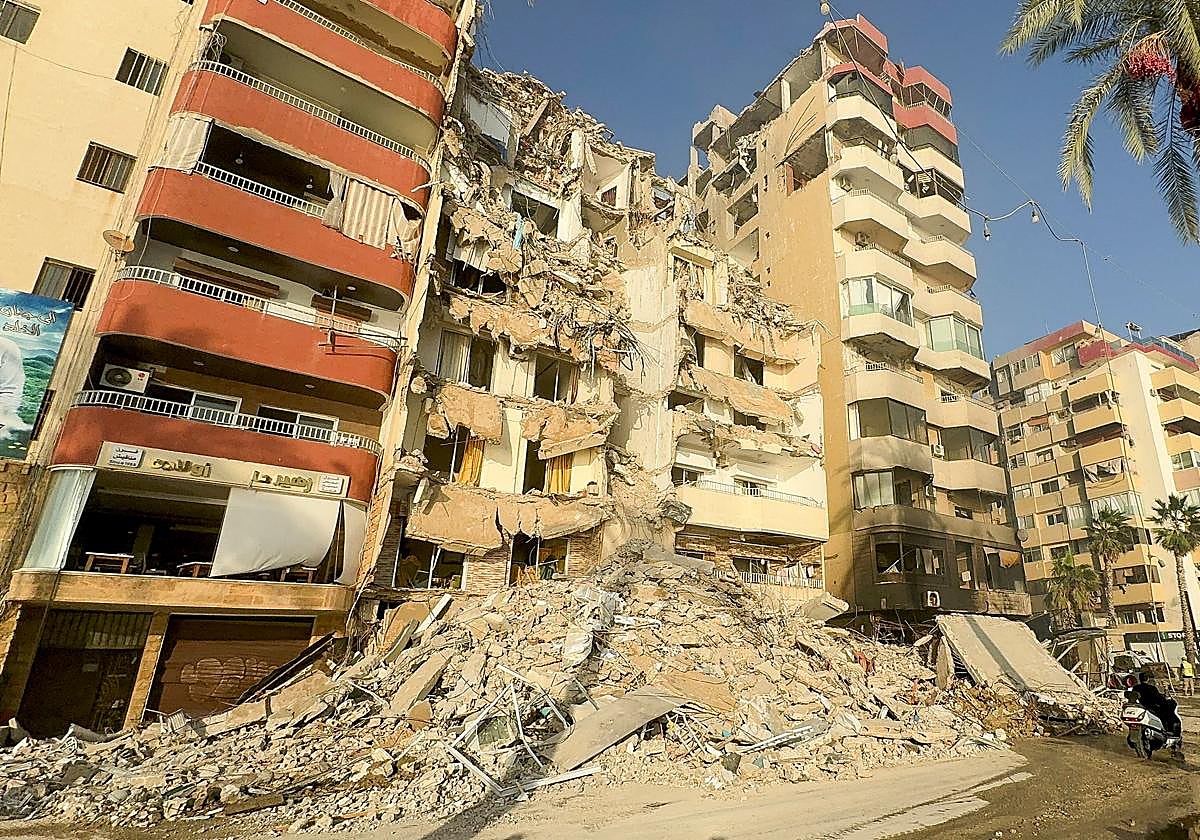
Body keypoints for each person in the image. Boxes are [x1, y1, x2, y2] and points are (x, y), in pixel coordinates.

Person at [1129, 672, 1182, 736]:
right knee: (1166, 713)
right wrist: (1165, 700)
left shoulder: (1136, 688)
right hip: (1153, 707)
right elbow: (1158, 699)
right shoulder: (1152, 688)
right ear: (1148, 679)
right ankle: (1167, 729)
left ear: (1139, 679)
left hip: (1142, 706)